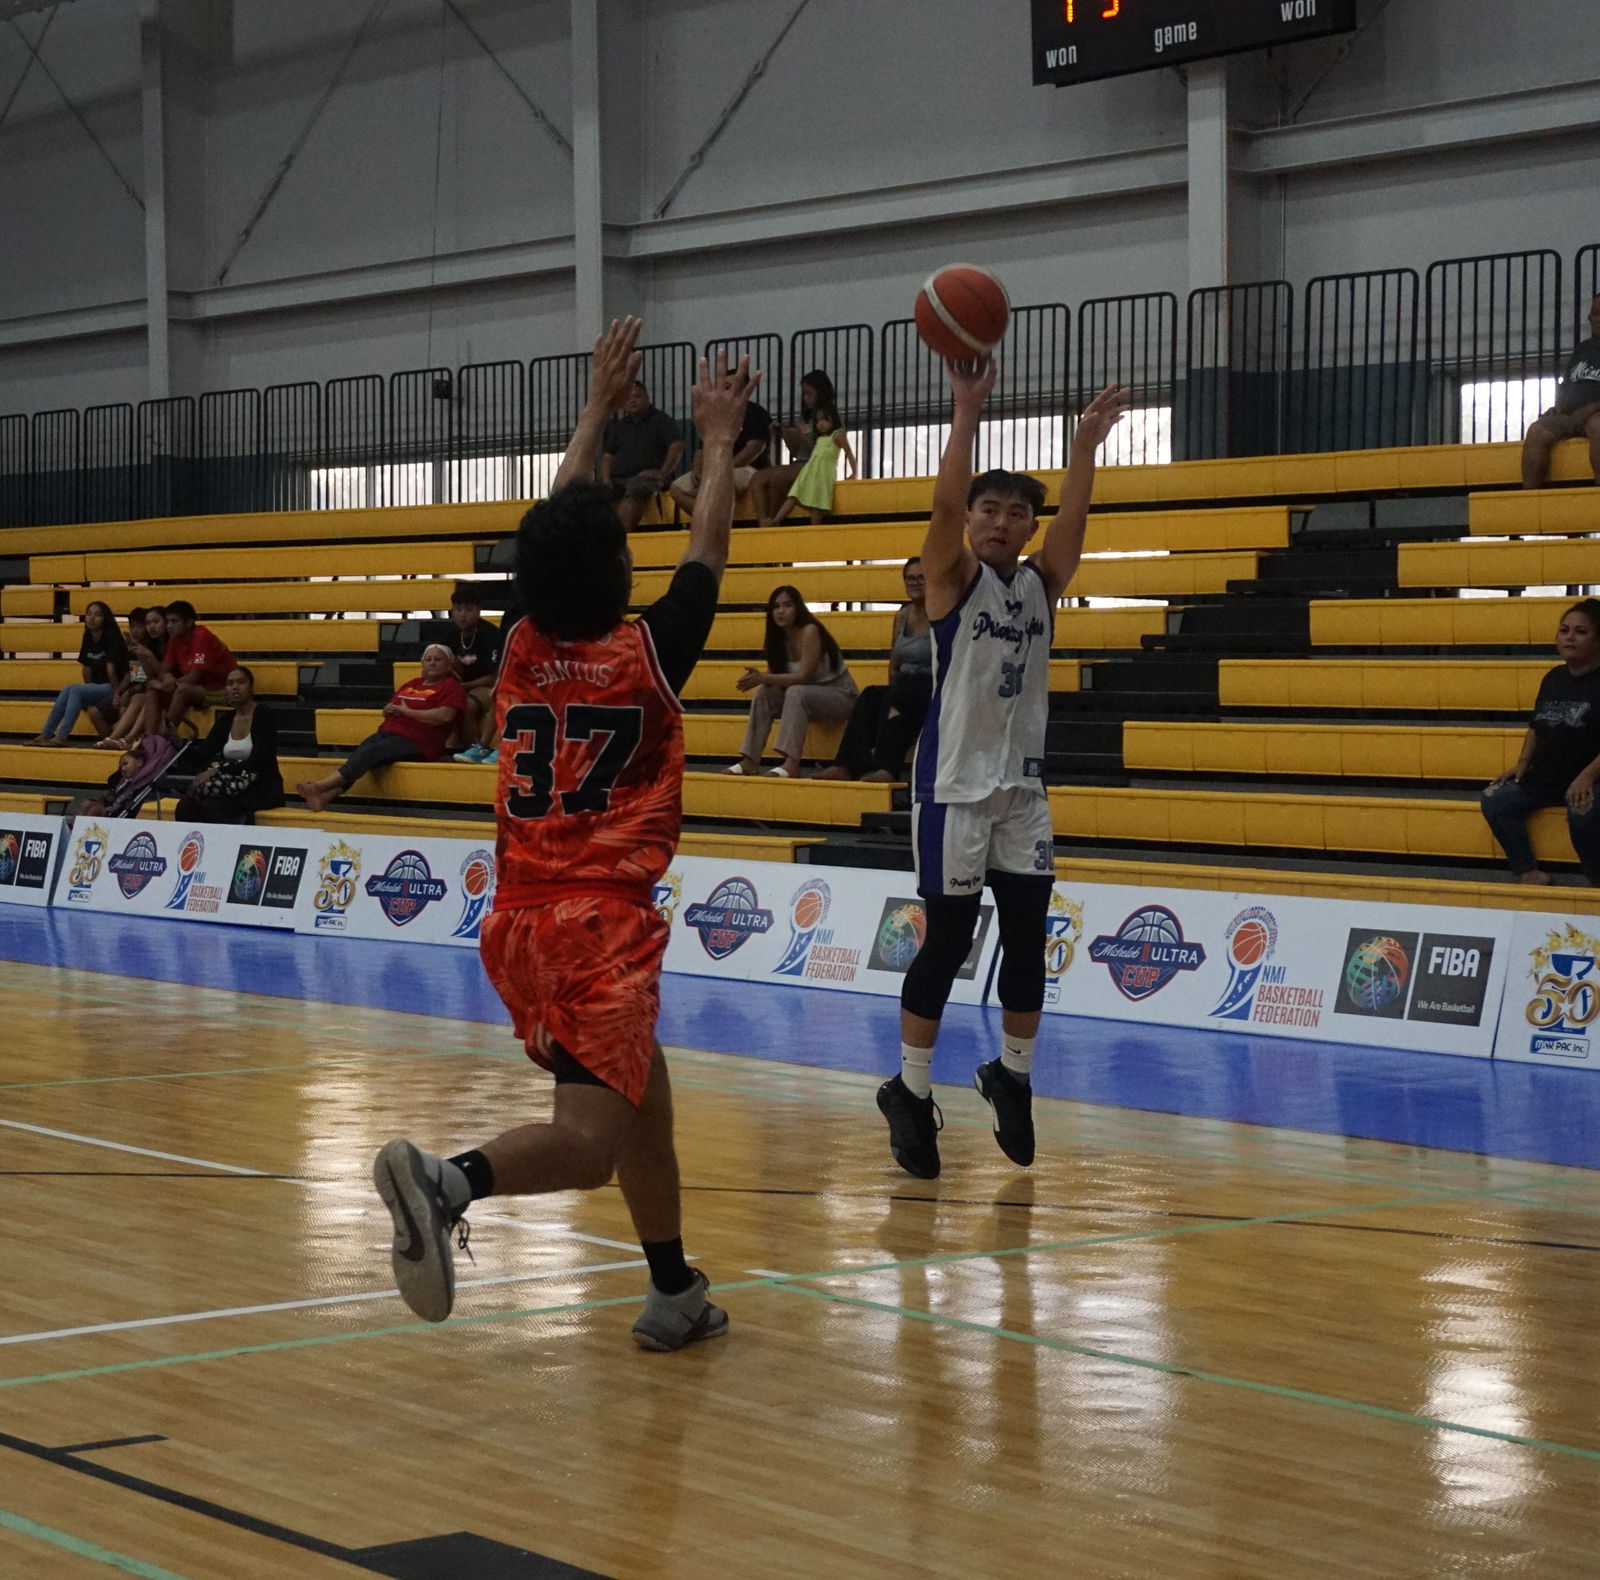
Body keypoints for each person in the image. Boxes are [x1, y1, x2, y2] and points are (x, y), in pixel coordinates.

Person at [371, 317, 758, 1352]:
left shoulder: (519, 643)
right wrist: (717, 442)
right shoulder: (649, 652)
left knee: (645, 1099)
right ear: (619, 570)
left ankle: (674, 1287)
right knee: (590, 1143)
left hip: (517, 921)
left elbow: (554, 518)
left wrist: (594, 405)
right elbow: (710, 545)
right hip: (600, 929)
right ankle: (449, 1180)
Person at [875, 358, 1127, 1181]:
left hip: (1021, 789)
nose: (1000, 520)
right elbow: (944, 505)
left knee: (1027, 942)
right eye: (990, 507)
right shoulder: (951, 582)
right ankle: (910, 1092)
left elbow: (1075, 529)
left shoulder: (1041, 585)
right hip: (950, 790)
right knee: (945, 945)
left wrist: (1083, 447)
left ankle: (1011, 1076)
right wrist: (964, 412)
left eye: (1016, 512)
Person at [1481, 599, 1600, 884]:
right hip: (1549, 775)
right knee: (1495, 800)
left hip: (1591, 777)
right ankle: (1528, 871)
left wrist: (1586, 777)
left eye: (1581, 632)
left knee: (1583, 814)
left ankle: (1596, 882)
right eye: (1564, 630)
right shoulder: (1553, 678)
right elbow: (1537, 726)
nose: (1569, 637)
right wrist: (1521, 764)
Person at [296, 645, 466, 813]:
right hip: (390, 731)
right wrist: (387, 711)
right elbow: (394, 706)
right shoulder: (412, 683)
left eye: (438, 659)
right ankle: (325, 797)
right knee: (363, 751)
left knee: (371, 753)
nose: (432, 663)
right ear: (422, 663)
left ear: (448, 664)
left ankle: (320, 786)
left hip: (419, 741)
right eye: (428, 659)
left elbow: (444, 716)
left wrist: (409, 712)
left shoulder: (451, 687)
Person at [814, 558, 932, 782]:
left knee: (902, 696)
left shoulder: (942, 614)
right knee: (871, 695)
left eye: (921, 578)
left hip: (931, 684)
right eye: (910, 578)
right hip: (904, 684)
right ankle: (846, 765)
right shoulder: (902, 616)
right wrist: (893, 688)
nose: (915, 583)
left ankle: (887, 768)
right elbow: (894, 661)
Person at [723, 585, 858, 778]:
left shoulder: (810, 631)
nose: (781, 611)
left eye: (787, 605)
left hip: (841, 695)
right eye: (776, 606)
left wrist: (763, 676)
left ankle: (791, 762)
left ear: (798, 608)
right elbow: (780, 675)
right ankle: (750, 760)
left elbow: (804, 676)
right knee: (764, 691)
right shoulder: (777, 638)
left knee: (796, 691)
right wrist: (761, 679)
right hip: (810, 697)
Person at [174, 667, 285, 825]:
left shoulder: (264, 715)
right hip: (229, 785)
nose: (235, 687)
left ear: (251, 687)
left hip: (260, 786)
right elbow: (202, 755)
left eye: (241, 682)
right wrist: (176, 741)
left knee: (215, 807)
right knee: (185, 806)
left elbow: (260, 761)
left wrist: (218, 771)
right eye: (230, 683)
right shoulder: (226, 720)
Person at [1522, 294, 1600, 488]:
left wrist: (1590, 409)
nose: (1598, 318)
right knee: (1536, 430)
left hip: (1595, 416)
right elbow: (1565, 385)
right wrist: (1557, 407)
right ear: (1589, 318)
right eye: (1595, 313)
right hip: (1569, 415)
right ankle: (1530, 500)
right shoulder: (1582, 349)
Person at [27, 601, 126, 746]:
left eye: (97, 615)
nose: (92, 618)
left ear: (105, 618)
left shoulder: (113, 638)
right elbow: (86, 668)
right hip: (100, 687)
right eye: (89, 614)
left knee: (75, 690)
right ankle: (46, 734)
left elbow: (114, 671)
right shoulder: (88, 637)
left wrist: (117, 694)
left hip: (115, 687)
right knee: (68, 688)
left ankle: (61, 736)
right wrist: (89, 691)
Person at [667, 394, 772, 519]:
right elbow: (702, 449)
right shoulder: (717, 414)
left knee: (718, 484)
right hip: (716, 469)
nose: (728, 390)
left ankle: (716, 524)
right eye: (725, 387)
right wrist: (697, 469)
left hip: (747, 468)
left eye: (730, 385)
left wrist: (725, 467)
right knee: (676, 489)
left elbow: (754, 448)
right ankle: (711, 521)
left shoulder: (755, 412)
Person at [752, 370, 834, 525]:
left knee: (780, 477)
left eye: (809, 394)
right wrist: (787, 436)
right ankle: (762, 520)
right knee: (757, 478)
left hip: (816, 465)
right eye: (804, 394)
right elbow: (797, 452)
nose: (806, 398)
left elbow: (828, 449)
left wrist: (803, 438)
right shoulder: (805, 417)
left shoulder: (830, 416)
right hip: (800, 462)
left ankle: (772, 520)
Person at [602, 379, 684, 530]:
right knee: (594, 494)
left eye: (637, 396)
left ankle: (622, 537)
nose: (632, 400)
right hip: (617, 479)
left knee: (636, 486)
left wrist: (662, 473)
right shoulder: (618, 426)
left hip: (647, 477)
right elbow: (608, 455)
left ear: (647, 398)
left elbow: (677, 445)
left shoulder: (661, 420)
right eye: (628, 398)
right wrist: (606, 479)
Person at [145, 601, 235, 738]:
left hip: (220, 690)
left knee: (181, 690)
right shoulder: (173, 640)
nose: (169, 626)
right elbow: (162, 672)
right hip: (195, 688)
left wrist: (166, 683)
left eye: (174, 621)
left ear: (188, 623)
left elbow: (195, 677)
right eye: (168, 621)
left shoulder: (201, 637)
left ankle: (164, 740)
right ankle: (148, 740)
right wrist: (166, 676)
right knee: (150, 692)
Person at [441, 583, 504, 764]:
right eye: (458, 609)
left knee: (465, 705)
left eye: (468, 609)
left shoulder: (491, 635)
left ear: (479, 611)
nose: (462, 614)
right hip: (460, 686)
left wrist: (462, 686)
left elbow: (493, 677)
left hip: (485, 687)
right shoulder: (450, 636)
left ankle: (477, 748)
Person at [95, 606, 169, 750]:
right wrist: (119, 692)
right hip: (146, 689)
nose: (151, 627)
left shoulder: (165, 645)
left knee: (139, 698)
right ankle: (113, 738)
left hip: (161, 690)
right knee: (99, 711)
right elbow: (140, 675)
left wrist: (147, 655)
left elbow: (160, 676)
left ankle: (125, 739)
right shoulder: (146, 646)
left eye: (155, 622)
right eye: (148, 624)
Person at [769, 404, 855, 525]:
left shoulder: (838, 435)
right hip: (809, 471)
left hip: (823, 474)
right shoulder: (820, 439)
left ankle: (814, 530)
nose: (821, 423)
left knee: (816, 504)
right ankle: (776, 520)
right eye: (818, 421)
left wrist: (854, 472)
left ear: (833, 419)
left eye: (824, 419)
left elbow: (849, 452)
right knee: (794, 495)